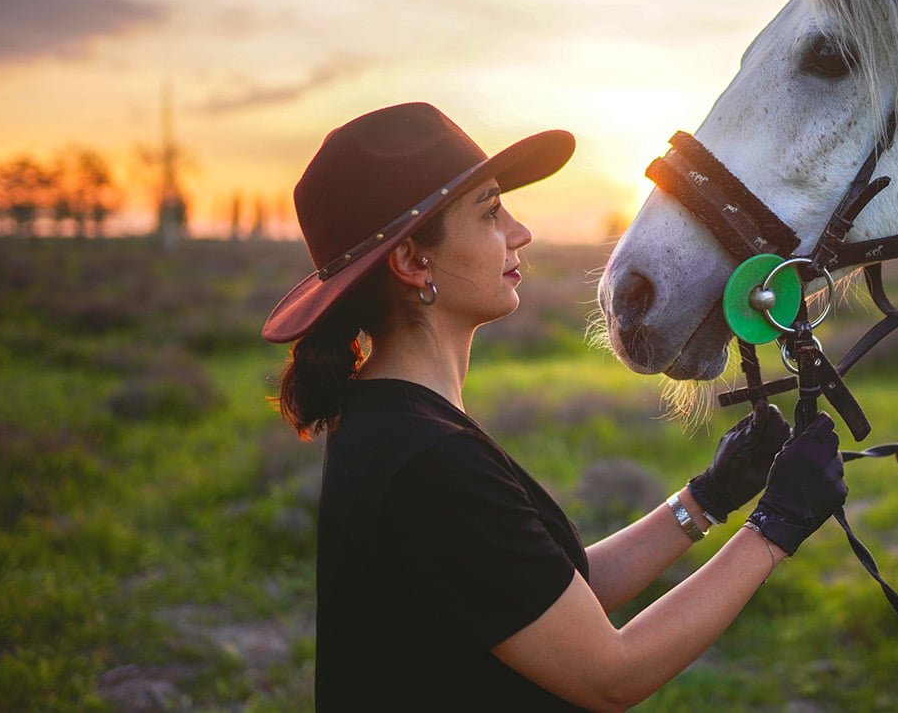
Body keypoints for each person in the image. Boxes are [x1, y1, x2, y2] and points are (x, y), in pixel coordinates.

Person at [263, 102, 848, 711]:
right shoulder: (426, 459)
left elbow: (548, 599)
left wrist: (708, 498)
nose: (520, 232)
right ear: (413, 261)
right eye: (491, 212)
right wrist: (772, 529)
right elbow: (610, 674)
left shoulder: (397, 422)